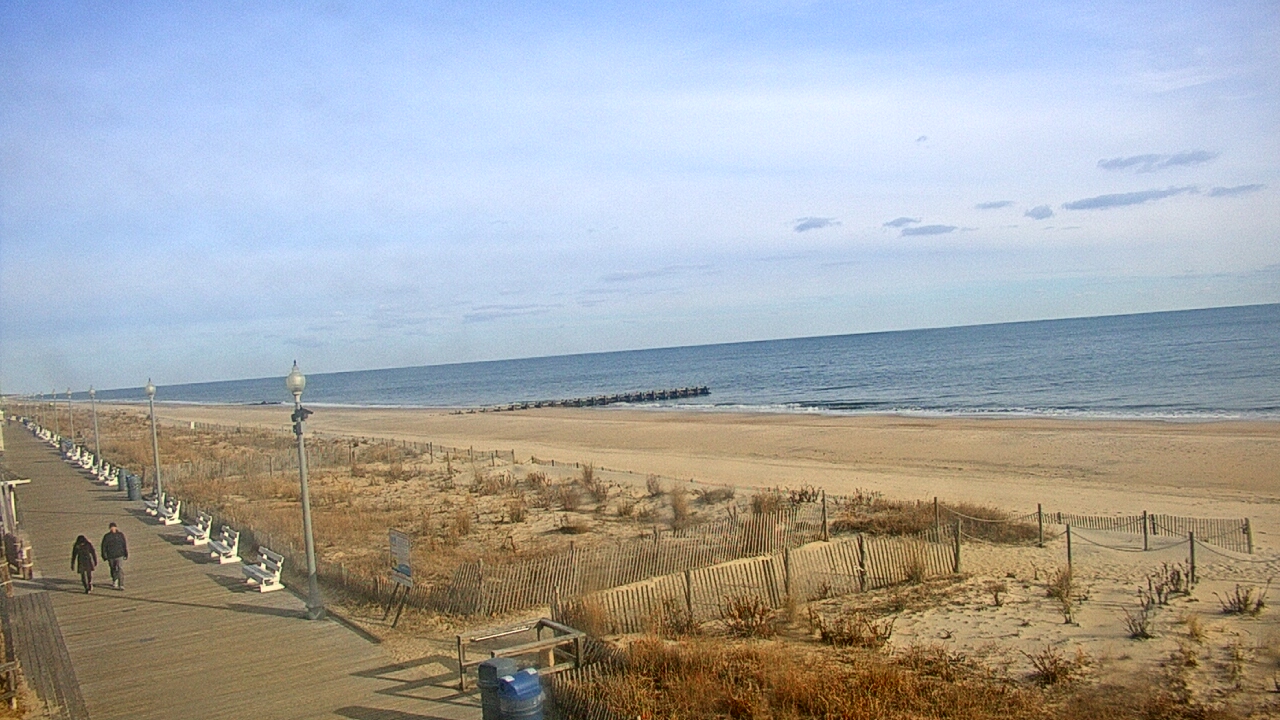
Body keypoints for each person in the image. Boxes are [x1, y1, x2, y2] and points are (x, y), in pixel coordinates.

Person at [100, 522, 128, 590]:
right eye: (111, 527)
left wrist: (125, 553)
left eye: (113, 527)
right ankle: (115, 579)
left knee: (119, 568)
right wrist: (104, 555)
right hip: (111, 555)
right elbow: (103, 546)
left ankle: (121, 584)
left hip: (119, 554)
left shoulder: (120, 535)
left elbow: (124, 544)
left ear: (116, 527)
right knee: (113, 568)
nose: (112, 529)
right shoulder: (107, 536)